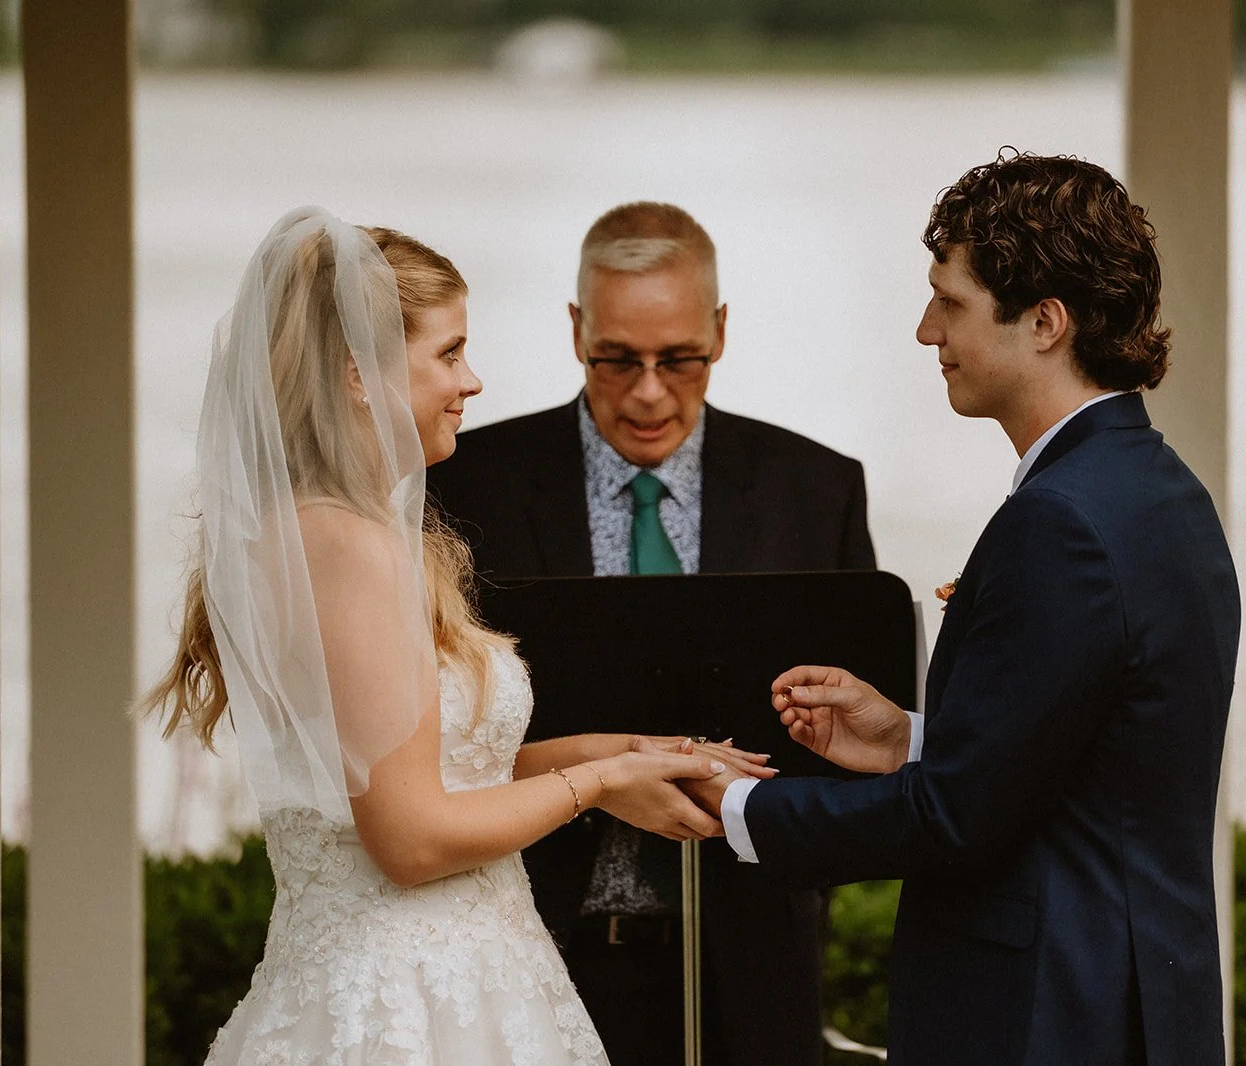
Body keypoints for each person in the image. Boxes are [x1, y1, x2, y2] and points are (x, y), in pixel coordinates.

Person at [141, 208, 773, 1065]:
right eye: (448, 353)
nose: (471, 381)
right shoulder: (351, 547)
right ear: (360, 375)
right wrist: (599, 781)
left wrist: (630, 754)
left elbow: (432, 773)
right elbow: (410, 840)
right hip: (412, 1004)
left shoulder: (313, 534)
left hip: (444, 977)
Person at [684, 152, 1242, 1065]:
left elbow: (954, 821)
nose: (923, 330)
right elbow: (1089, 753)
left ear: (1045, 323)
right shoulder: (1159, 489)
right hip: (1134, 996)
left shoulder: (1057, 521)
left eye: (951, 301)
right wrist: (910, 736)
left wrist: (736, 805)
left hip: (1047, 1015)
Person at [427, 202, 875, 1065]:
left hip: (757, 966)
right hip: (533, 949)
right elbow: (438, 746)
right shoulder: (465, 488)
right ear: (574, 330)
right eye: (616, 359)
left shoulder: (816, 490)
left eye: (680, 360)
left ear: (722, 331)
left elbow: (850, 747)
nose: (647, 393)